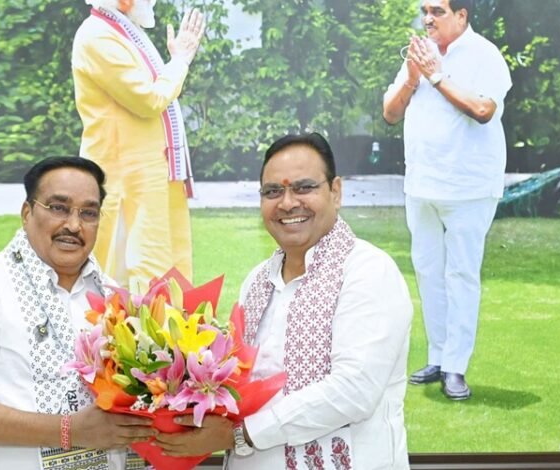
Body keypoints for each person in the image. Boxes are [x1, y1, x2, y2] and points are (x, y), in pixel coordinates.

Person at [154, 133, 413, 469]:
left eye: (304, 187)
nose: (288, 203)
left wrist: (240, 434)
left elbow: (353, 391)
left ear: (336, 192)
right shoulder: (257, 282)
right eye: (273, 192)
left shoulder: (367, 271)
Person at [0, 157, 156, 470]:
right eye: (58, 207)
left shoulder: (115, 298)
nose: (74, 225)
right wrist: (70, 430)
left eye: (88, 213)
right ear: (27, 213)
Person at [383, 0, 512, 400]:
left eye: (437, 11)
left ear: (461, 16)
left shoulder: (485, 55)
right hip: (421, 185)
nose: (427, 19)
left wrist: (436, 76)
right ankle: (438, 356)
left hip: (468, 187)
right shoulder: (419, 53)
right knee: (427, 271)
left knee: (461, 275)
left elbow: (482, 109)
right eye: (424, 11)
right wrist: (411, 77)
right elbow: (389, 113)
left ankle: (456, 367)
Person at [72, 0, 205, 292]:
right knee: (127, 274)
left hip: (150, 175)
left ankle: (168, 336)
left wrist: (177, 60)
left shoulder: (122, 30)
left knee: (164, 265)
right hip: (123, 178)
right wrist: (180, 61)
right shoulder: (96, 36)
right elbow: (148, 100)